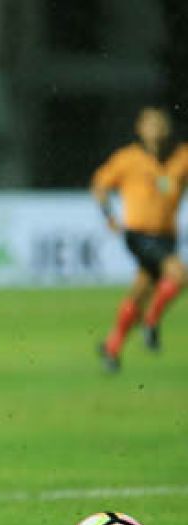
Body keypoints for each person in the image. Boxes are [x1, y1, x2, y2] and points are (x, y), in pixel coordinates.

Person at [94, 106, 188, 372]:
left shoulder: (182, 157)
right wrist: (108, 215)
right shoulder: (128, 159)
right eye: (151, 124)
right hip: (139, 234)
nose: (156, 129)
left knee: (141, 293)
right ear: (140, 129)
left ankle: (112, 348)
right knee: (179, 275)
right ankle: (151, 324)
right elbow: (100, 184)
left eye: (161, 124)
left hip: (167, 237)